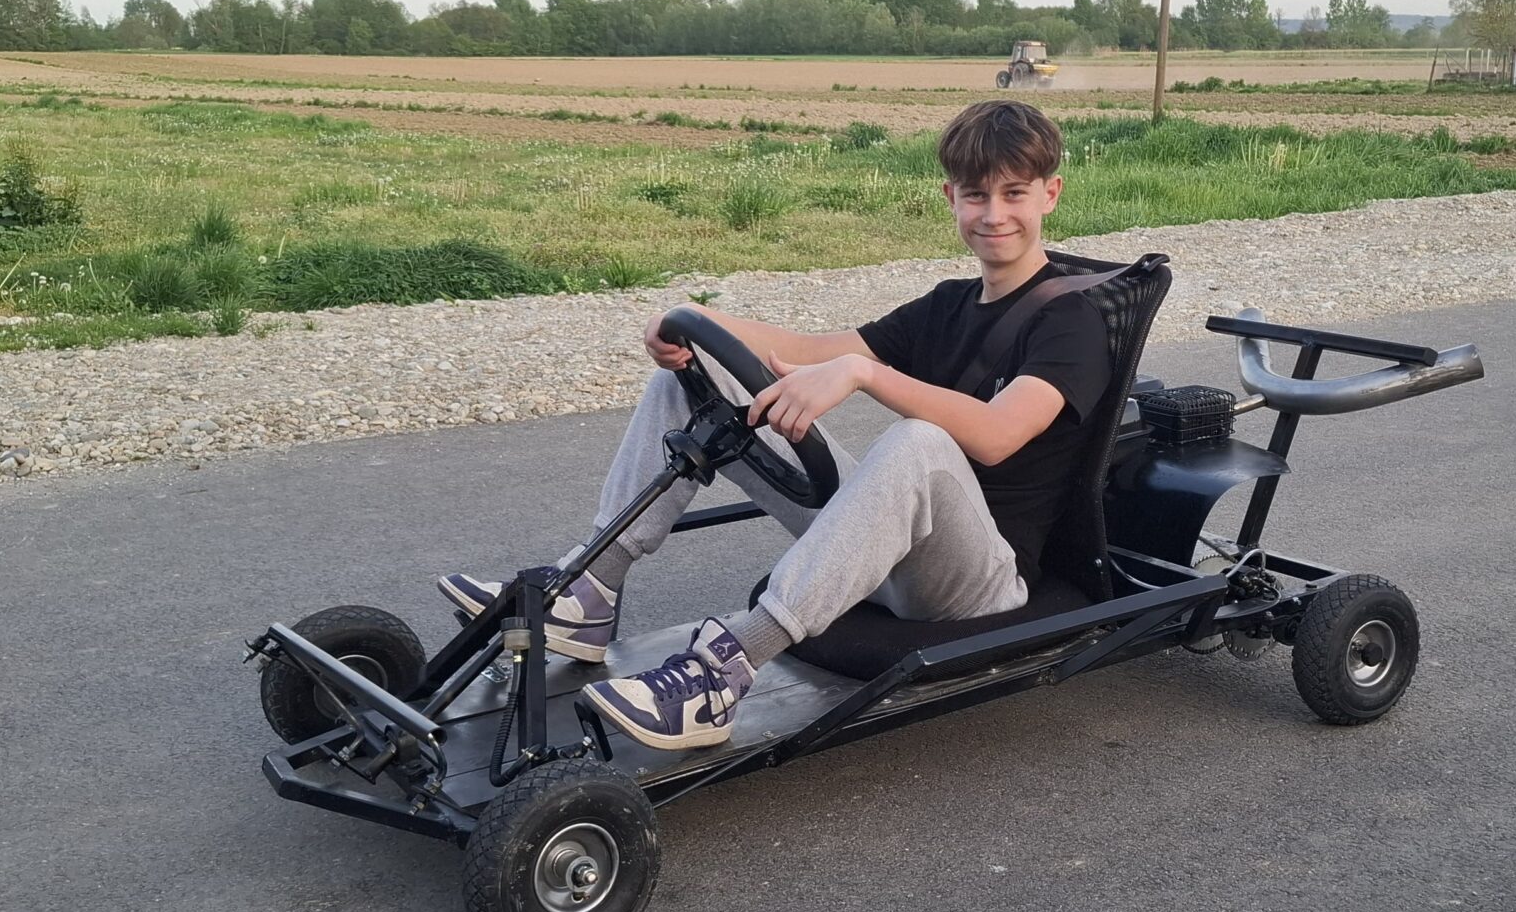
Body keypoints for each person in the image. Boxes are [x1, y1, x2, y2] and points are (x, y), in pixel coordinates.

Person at [438, 99, 1114, 750]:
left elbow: (997, 434)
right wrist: (692, 321)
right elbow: (807, 349)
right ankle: (590, 588)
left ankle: (721, 675)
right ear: (950, 199)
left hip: (980, 580)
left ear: (1049, 195)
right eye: (976, 195)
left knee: (919, 441)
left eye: (1014, 194)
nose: (994, 214)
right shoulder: (947, 304)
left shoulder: (1072, 321)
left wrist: (865, 374)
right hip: (888, 551)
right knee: (692, 379)